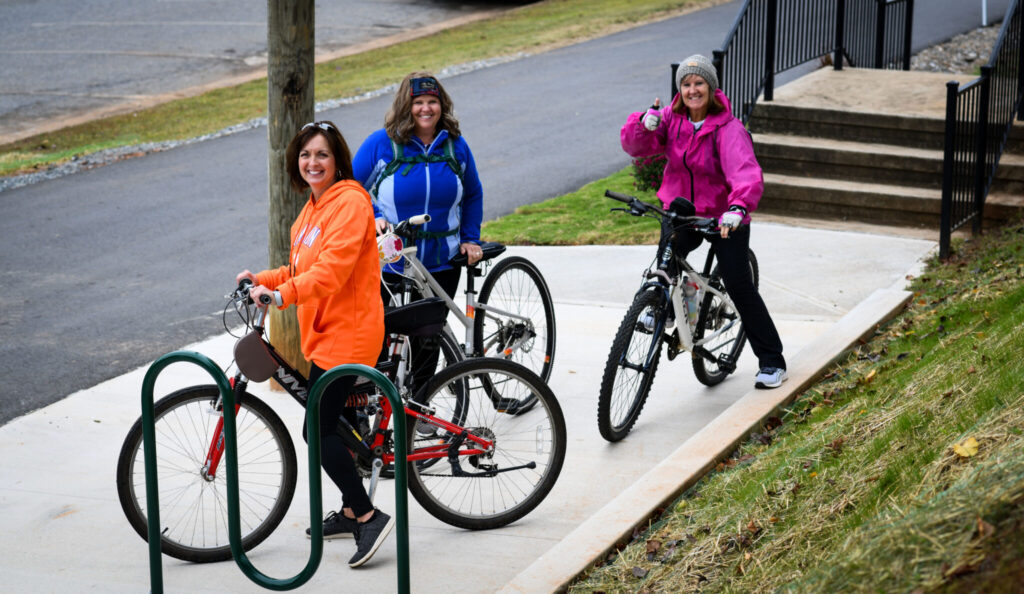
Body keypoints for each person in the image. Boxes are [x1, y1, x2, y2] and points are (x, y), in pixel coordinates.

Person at [236, 120, 393, 568]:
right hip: (325, 335)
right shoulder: (311, 211)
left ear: (337, 159)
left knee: (316, 430)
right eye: (305, 155)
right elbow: (298, 267)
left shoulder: (349, 203)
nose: (312, 163)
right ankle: (349, 509)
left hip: (350, 334)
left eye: (321, 154)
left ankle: (367, 514)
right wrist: (261, 280)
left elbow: (332, 272)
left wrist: (282, 296)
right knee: (333, 427)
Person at [619, 54, 788, 389]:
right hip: (683, 210)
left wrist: (737, 208)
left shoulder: (728, 128)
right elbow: (637, 147)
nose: (692, 89)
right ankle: (663, 307)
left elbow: (745, 172)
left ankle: (772, 361)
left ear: (710, 88)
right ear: (679, 89)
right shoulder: (671, 119)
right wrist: (644, 123)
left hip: (724, 216)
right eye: (686, 84)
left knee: (739, 284)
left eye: (698, 83)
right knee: (666, 262)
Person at [353, 71, 484, 386]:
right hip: (392, 262)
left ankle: (421, 404)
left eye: (433, 102)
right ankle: (385, 402)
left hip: (442, 260)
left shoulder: (455, 146)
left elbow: (473, 193)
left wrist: (470, 238)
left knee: (427, 339)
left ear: (442, 105)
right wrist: (373, 216)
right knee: (383, 335)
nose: (426, 109)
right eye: (419, 102)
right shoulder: (382, 144)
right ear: (405, 105)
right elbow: (349, 188)